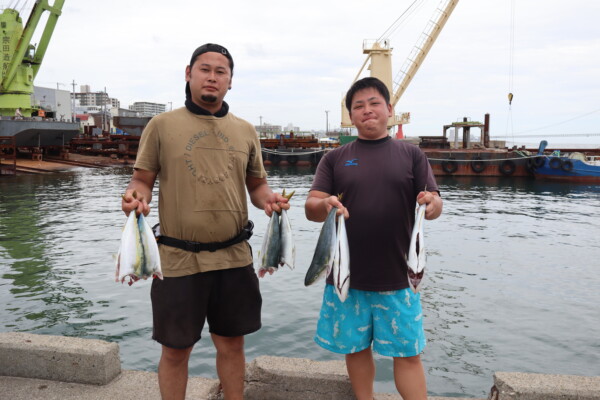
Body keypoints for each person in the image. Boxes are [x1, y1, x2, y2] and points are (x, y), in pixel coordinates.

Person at [121, 43, 289, 400]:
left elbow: (257, 186)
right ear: (189, 74)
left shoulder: (245, 130)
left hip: (234, 257)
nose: (212, 77)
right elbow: (142, 181)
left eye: (221, 71)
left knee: (231, 344)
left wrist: (270, 202)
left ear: (230, 81)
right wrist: (136, 198)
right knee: (175, 350)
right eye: (205, 69)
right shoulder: (162, 125)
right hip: (178, 260)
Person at [305, 77, 443, 400]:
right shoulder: (334, 158)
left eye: (374, 103)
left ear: (389, 110)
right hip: (346, 277)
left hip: (400, 276)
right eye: (358, 106)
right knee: (354, 351)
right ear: (351, 116)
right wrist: (324, 204)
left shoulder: (412, 155)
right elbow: (312, 207)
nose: (367, 110)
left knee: (408, 355)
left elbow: (435, 205)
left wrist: (431, 203)